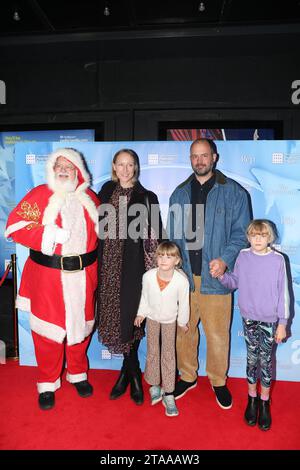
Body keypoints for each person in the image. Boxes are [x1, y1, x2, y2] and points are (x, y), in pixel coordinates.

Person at [5, 148, 100, 410]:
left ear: (78, 170)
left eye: (68, 166)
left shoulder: (91, 199)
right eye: (58, 164)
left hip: (84, 277)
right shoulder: (39, 195)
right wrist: (47, 234)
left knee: (80, 330)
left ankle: (78, 374)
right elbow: (14, 226)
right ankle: (47, 382)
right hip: (49, 278)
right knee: (48, 334)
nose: (63, 169)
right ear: (51, 168)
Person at [167, 138, 251, 409]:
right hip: (186, 278)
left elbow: (242, 235)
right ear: (190, 159)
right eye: (195, 156)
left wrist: (225, 260)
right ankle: (188, 376)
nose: (199, 161)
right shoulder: (179, 194)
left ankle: (218, 381)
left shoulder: (234, 192)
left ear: (214, 157)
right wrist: (174, 269)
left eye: (204, 156)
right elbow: (174, 238)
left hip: (216, 277)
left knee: (217, 334)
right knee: (185, 331)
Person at [96, 148, 164, 405]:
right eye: (120, 164)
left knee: (132, 318)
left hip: (134, 267)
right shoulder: (105, 192)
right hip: (107, 267)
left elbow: (156, 235)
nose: (125, 169)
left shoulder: (146, 196)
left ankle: (131, 374)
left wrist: (158, 271)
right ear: (114, 166)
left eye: (130, 164)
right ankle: (130, 371)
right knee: (115, 317)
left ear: (136, 167)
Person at [216, 219, 289, 431]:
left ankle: (265, 402)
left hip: (269, 319)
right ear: (248, 237)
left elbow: (284, 294)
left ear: (270, 238)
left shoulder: (278, 260)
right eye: (254, 235)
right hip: (248, 317)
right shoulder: (243, 256)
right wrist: (222, 276)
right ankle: (252, 399)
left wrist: (282, 323)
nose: (258, 239)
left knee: (265, 361)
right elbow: (234, 281)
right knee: (251, 358)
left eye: (262, 235)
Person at [134, 241, 189, 417]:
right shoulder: (148, 276)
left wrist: (183, 321)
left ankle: (169, 392)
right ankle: (154, 385)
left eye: (169, 256)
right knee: (152, 351)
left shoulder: (181, 280)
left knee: (168, 354)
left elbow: (184, 304)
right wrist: (141, 313)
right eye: (161, 255)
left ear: (177, 260)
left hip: (169, 321)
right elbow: (144, 297)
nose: (164, 259)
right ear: (156, 257)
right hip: (151, 319)